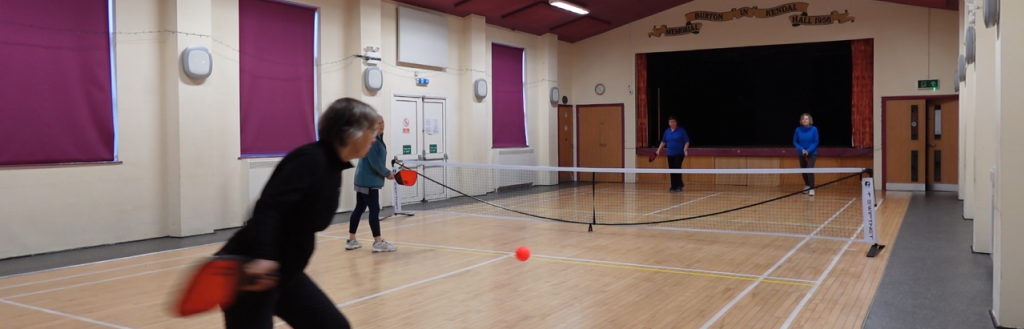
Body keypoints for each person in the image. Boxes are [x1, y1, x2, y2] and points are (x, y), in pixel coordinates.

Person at [215, 98, 381, 329]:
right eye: (371, 130)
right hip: (250, 274)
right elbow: (269, 208)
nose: (374, 137)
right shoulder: (310, 159)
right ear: (351, 132)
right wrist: (264, 257)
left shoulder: (333, 166)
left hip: (284, 274)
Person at [346, 116, 397, 252]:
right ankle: (378, 242)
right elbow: (375, 164)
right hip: (368, 181)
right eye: (378, 123)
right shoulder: (372, 141)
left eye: (382, 122)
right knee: (374, 210)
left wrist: (386, 172)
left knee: (360, 208)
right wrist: (387, 173)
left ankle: (351, 240)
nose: (381, 125)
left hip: (363, 179)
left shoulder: (378, 140)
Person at [654, 116, 690, 192]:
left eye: (673, 121)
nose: (672, 123)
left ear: (676, 122)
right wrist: (658, 150)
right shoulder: (667, 132)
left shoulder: (681, 131)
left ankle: (679, 186)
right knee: (672, 169)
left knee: (677, 168)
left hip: (679, 153)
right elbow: (663, 142)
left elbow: (686, 141)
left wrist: (685, 149)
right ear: (669, 123)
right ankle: (673, 186)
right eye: (670, 121)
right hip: (670, 153)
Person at [793, 113, 819, 196]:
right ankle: (807, 185)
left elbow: (816, 141)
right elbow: (795, 141)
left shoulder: (814, 129)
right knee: (803, 170)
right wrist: (802, 149)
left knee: (810, 169)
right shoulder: (798, 129)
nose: (805, 120)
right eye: (803, 119)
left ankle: (812, 188)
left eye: (806, 119)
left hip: (812, 153)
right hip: (801, 153)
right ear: (801, 121)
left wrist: (808, 150)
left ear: (810, 120)